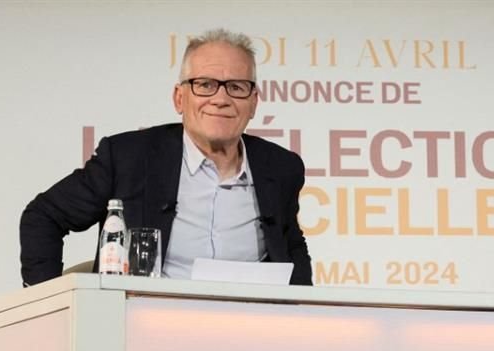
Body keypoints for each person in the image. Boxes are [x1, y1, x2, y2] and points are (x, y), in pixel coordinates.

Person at [20, 29, 311, 286]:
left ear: (253, 102)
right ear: (179, 98)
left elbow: (292, 250)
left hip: (250, 328)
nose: (221, 99)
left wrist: (305, 319)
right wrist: (48, 306)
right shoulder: (129, 158)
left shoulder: (282, 168)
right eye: (205, 84)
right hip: (146, 327)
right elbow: (43, 217)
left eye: (236, 87)